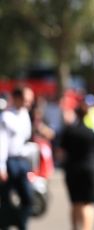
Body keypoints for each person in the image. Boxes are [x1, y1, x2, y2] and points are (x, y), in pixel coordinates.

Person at [0, 87, 33, 230]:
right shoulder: (6, 117)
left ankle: (21, 224)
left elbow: (25, 137)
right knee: (6, 199)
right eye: (26, 100)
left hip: (22, 160)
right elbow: (2, 142)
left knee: (27, 198)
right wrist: (1, 166)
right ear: (17, 98)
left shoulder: (25, 114)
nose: (28, 103)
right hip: (9, 162)